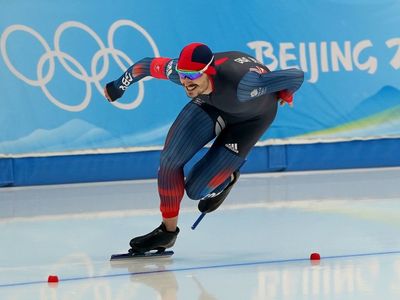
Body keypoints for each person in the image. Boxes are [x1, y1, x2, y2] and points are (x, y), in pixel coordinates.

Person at [104, 42, 304, 254]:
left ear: (208, 71)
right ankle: (166, 233)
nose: (186, 82)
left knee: (196, 190)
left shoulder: (245, 85)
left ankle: (228, 178)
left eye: (192, 76)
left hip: (251, 120)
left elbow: (296, 75)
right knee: (169, 160)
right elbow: (145, 66)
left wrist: (285, 94)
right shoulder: (184, 75)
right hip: (211, 103)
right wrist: (117, 87)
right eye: (182, 74)